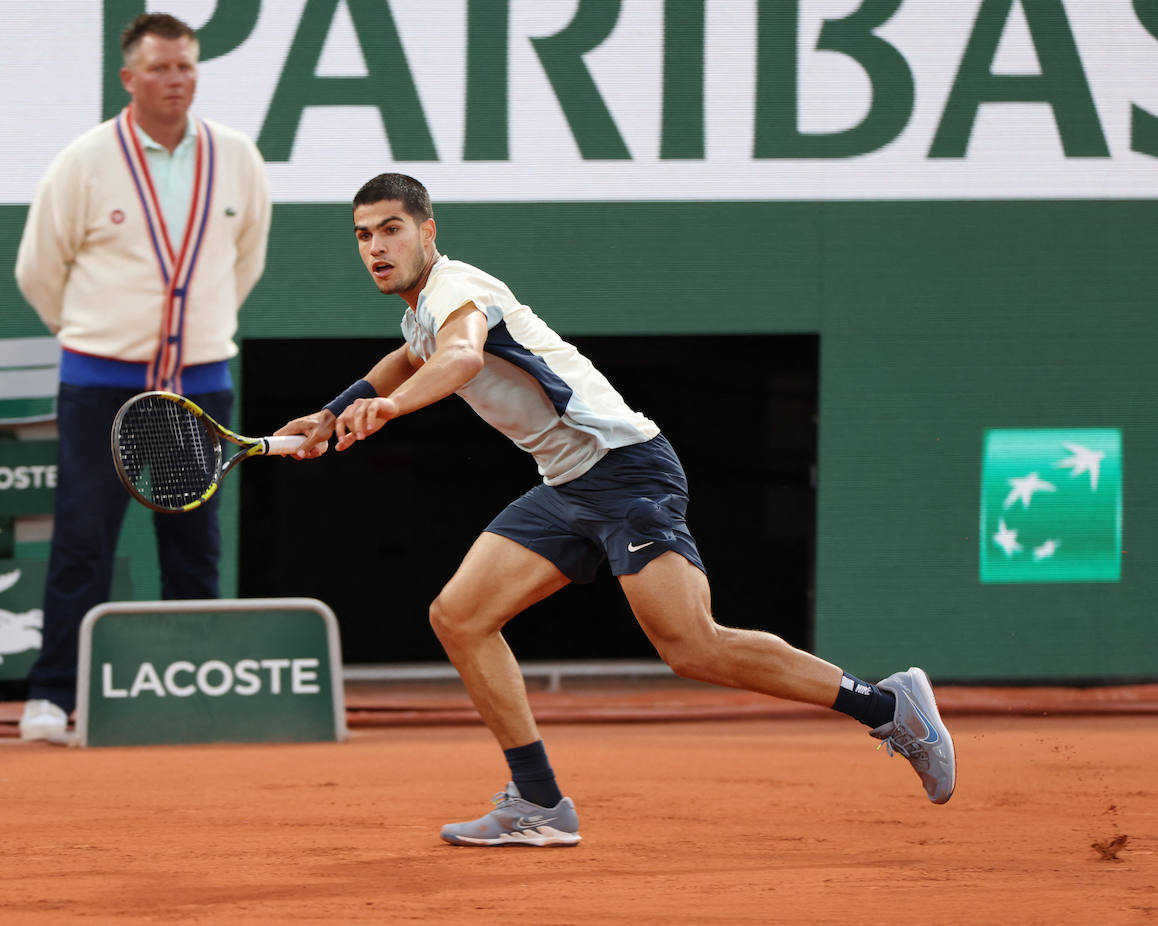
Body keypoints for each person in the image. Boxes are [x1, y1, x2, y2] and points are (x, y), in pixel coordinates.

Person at [277, 173, 955, 847]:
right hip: (567, 485)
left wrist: (390, 409)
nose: (376, 247)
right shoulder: (423, 310)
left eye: (391, 228)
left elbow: (457, 354)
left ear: (427, 231)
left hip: (626, 470)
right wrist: (335, 410)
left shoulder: (458, 289)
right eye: (363, 235)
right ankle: (538, 802)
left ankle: (890, 708)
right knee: (459, 617)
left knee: (691, 646)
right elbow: (411, 352)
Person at [13, 13, 272, 740]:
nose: (175, 80)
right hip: (99, 381)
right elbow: (39, 269)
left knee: (195, 543)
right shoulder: (85, 160)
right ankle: (51, 697)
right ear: (129, 78)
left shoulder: (238, 157)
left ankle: (199, 693)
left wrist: (197, 336)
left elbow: (242, 260)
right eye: (160, 68)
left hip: (200, 380)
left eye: (186, 67)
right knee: (83, 540)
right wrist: (92, 338)